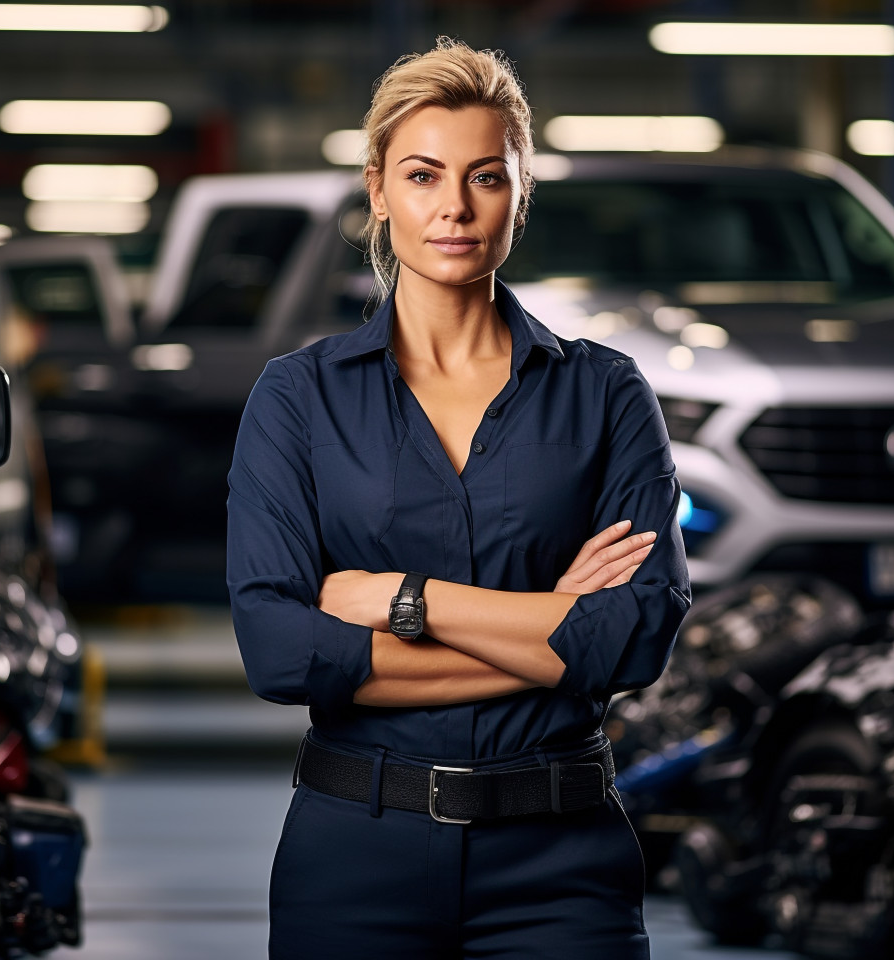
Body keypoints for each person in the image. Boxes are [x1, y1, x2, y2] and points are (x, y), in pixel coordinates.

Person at [227, 37, 690, 960]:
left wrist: (409, 602)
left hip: (562, 865)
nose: (453, 207)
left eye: (486, 176)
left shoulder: (605, 392)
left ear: (521, 193)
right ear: (377, 189)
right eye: (423, 174)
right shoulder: (299, 396)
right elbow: (280, 650)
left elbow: (638, 634)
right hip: (355, 853)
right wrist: (558, 632)